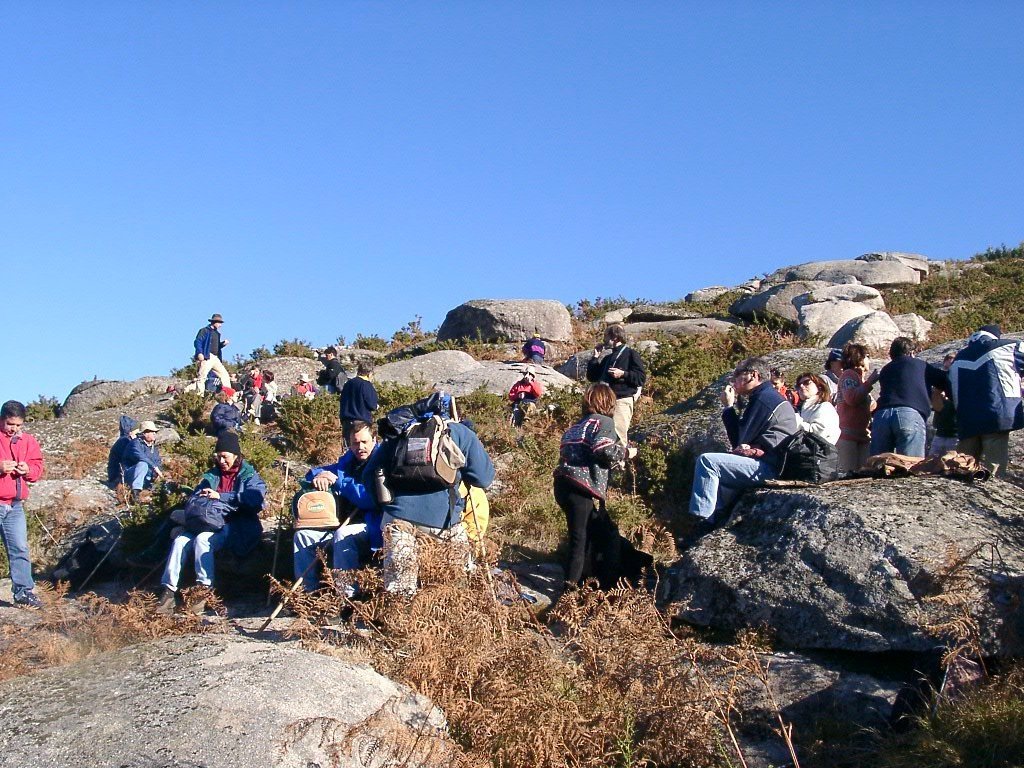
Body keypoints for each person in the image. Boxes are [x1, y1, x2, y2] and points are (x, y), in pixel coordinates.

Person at [364, 410, 495, 596]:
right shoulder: (459, 432)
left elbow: (369, 475)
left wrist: (385, 506)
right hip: (444, 522)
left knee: (400, 592)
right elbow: (484, 478)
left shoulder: (401, 429)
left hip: (398, 519)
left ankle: (401, 611)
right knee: (453, 587)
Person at [157, 431, 265, 615]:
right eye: (218, 457)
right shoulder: (211, 476)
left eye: (225, 457)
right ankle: (168, 591)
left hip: (234, 525)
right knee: (180, 541)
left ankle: (203, 590)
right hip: (206, 521)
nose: (221, 461)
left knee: (203, 540)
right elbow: (196, 496)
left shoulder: (249, 476)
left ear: (236, 456)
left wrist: (221, 496)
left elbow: (255, 500)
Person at [688, 358, 798, 524]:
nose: (734, 381)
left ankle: (703, 520)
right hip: (773, 462)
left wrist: (728, 407)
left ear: (753, 375)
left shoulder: (764, 399)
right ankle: (716, 518)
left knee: (707, 462)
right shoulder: (766, 396)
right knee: (718, 470)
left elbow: (739, 440)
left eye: (738, 375)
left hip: (770, 466)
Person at [553, 384, 628, 589]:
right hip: (580, 487)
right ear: (609, 402)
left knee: (599, 530)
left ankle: (592, 580)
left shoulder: (576, 426)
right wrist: (625, 453)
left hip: (562, 485)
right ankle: (569, 593)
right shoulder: (604, 422)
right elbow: (602, 449)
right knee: (580, 540)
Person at [293, 421, 381, 595]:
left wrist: (340, 483)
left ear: (374, 439)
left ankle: (347, 597)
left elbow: (369, 499)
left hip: (373, 526)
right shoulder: (348, 462)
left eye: (364, 442)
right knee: (303, 536)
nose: (360, 447)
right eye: (355, 443)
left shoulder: (382, 463)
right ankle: (308, 595)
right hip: (338, 523)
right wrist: (320, 475)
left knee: (343, 535)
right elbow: (315, 472)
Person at [949, 324, 1024, 477]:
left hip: (967, 419)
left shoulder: (958, 358)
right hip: (996, 415)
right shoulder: (1009, 347)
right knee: (994, 467)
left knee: (962, 465)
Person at [868, 337, 947, 458]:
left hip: (881, 416)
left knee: (877, 464)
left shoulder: (886, 369)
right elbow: (944, 380)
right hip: (908, 414)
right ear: (911, 353)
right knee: (911, 464)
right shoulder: (920, 365)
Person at [0, 401, 45, 609]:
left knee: (20, 548)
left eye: (18, 425)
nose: (14, 429)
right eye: (10, 424)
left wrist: (28, 470)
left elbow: (37, 467)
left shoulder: (28, 441)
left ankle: (24, 592)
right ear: (2, 419)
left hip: (15, 505)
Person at [586, 324, 647, 447]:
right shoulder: (607, 358)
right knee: (602, 436)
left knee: (618, 437)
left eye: (606, 336)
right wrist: (595, 357)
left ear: (614, 337)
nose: (603, 339)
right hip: (605, 403)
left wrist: (623, 374)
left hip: (621, 401)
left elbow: (641, 378)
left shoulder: (631, 354)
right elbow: (592, 377)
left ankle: (620, 459)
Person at [836, 343, 874, 473]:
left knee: (864, 474)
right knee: (850, 475)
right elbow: (851, 398)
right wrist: (870, 383)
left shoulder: (859, 378)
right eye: (867, 356)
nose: (869, 360)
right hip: (848, 436)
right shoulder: (848, 375)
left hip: (862, 434)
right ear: (859, 358)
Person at [792, 373, 840, 445]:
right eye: (798, 385)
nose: (801, 386)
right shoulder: (801, 410)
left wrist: (797, 422)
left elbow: (820, 434)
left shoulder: (825, 407)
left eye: (806, 382)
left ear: (819, 387)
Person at [123, 420, 164, 502]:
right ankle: (135, 493)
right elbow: (142, 457)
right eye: (152, 432)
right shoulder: (135, 444)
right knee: (143, 464)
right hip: (130, 475)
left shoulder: (153, 447)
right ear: (145, 433)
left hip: (146, 476)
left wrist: (158, 474)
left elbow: (157, 462)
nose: (154, 434)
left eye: (155, 432)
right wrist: (155, 468)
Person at [928, 353, 959, 457]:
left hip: (956, 433)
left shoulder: (959, 382)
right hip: (940, 432)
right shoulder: (939, 383)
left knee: (952, 462)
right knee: (930, 461)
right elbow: (936, 406)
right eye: (946, 367)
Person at [193, 313, 231, 390]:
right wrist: (200, 353)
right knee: (202, 376)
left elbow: (216, 347)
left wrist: (222, 344)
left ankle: (228, 393)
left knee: (224, 375)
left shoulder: (217, 333)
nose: (220, 325)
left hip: (215, 358)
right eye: (219, 323)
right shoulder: (204, 331)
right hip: (207, 356)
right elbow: (198, 342)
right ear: (214, 322)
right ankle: (199, 394)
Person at [339, 359, 379, 429]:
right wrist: (376, 406)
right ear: (370, 373)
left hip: (346, 422)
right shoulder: (366, 384)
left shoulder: (348, 383)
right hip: (361, 423)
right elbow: (372, 405)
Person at [106, 415, 138, 486]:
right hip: (117, 475)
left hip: (117, 473)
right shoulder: (124, 441)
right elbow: (129, 457)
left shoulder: (125, 440)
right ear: (130, 431)